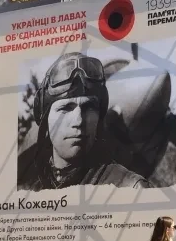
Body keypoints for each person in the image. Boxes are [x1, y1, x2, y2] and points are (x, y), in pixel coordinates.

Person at [19, 52, 150, 191]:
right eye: (66, 108)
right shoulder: (30, 193)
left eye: (89, 107)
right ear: (44, 118)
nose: (79, 120)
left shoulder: (131, 188)